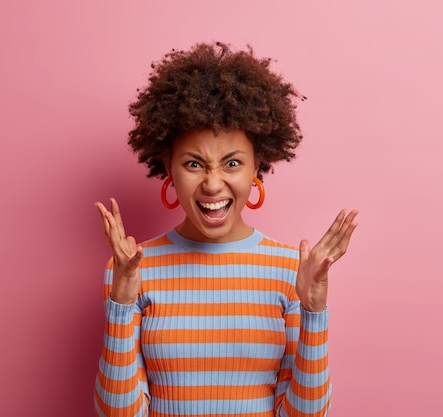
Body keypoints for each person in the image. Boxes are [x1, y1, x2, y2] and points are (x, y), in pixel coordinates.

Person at [93, 42, 358, 417]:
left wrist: (314, 312)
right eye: (194, 164)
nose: (213, 185)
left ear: (256, 168)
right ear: (168, 168)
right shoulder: (132, 268)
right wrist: (121, 303)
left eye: (232, 163)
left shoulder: (292, 271)